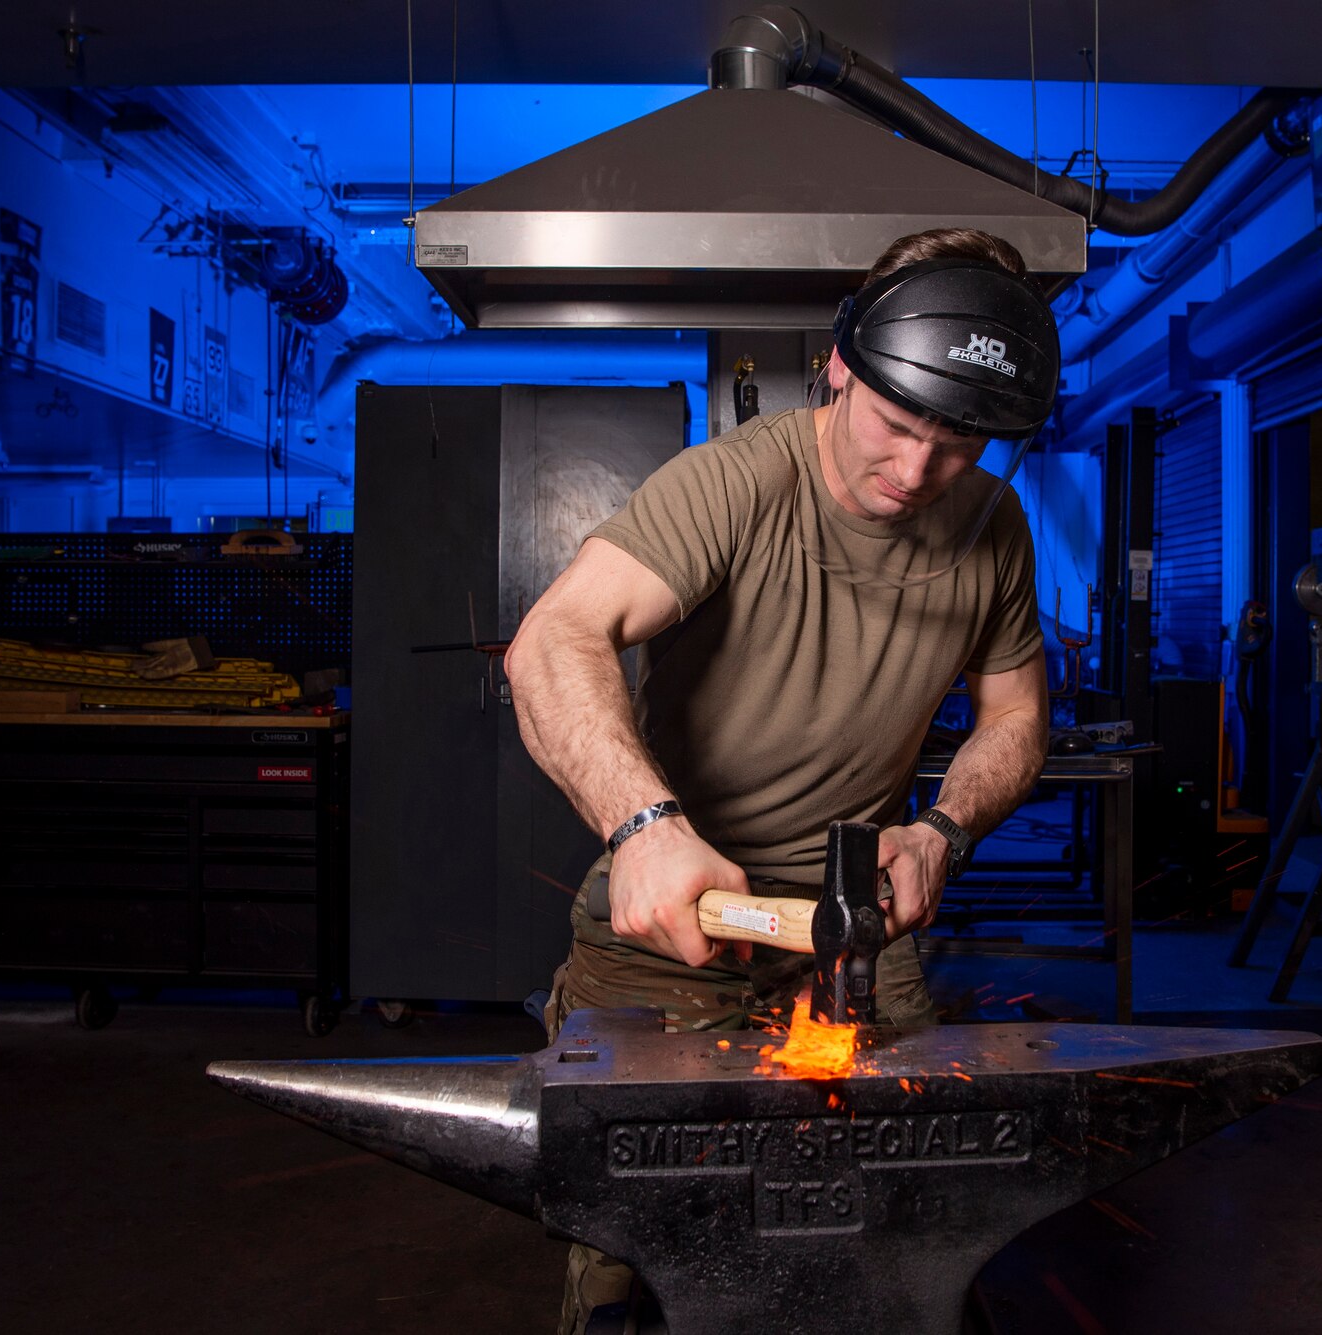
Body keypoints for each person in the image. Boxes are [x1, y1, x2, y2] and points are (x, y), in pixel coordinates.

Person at [502, 227, 1061, 1335]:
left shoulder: (992, 528)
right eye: (896, 427)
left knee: (894, 1236)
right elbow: (552, 641)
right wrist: (645, 827)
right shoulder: (735, 484)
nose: (915, 475)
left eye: (957, 447)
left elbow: (1015, 717)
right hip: (672, 927)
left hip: (861, 937)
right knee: (635, 1253)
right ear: (838, 369)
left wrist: (942, 830)